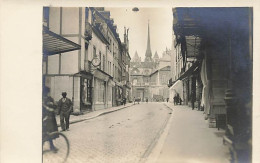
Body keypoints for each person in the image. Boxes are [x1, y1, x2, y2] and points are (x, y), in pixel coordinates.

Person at [42, 87, 59, 152]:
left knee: (49, 133)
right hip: (44, 117)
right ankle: (51, 147)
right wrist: (48, 108)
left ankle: (52, 147)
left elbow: (55, 105)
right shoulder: (42, 99)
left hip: (50, 118)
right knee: (45, 133)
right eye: (47, 92)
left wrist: (52, 106)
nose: (48, 93)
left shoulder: (50, 98)